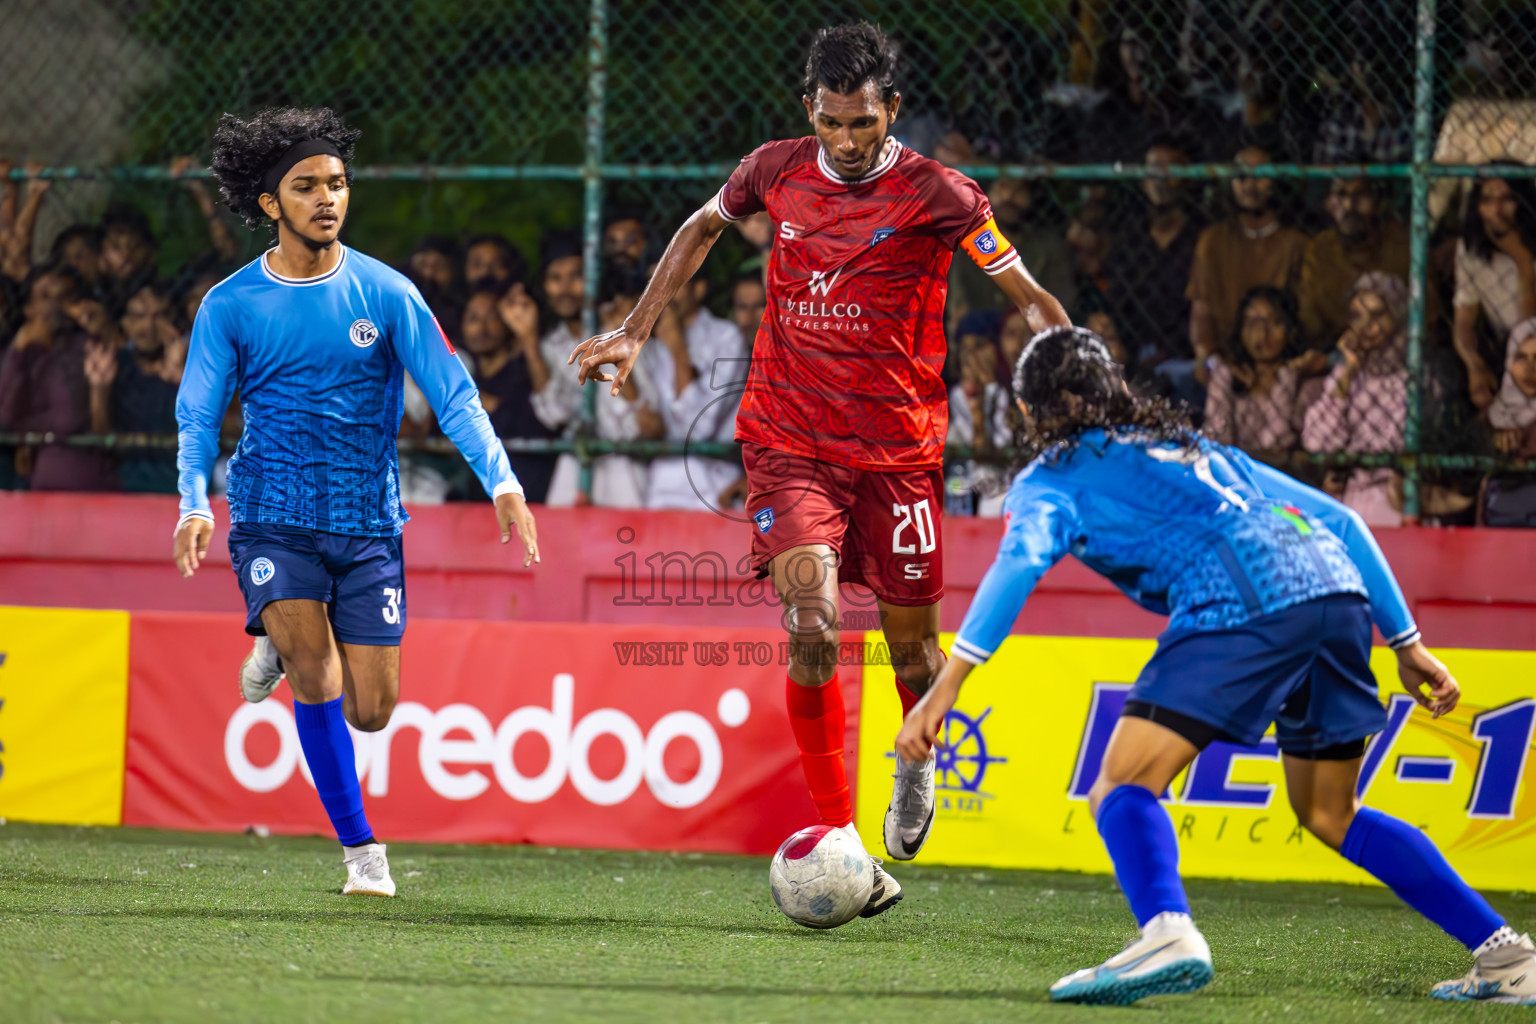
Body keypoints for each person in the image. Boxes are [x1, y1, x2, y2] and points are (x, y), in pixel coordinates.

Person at [568, 21, 1071, 911]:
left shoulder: (940, 193)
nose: (845, 143)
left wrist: (1060, 351)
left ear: (893, 113)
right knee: (813, 622)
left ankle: (912, 767)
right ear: (811, 109)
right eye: (832, 123)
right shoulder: (775, 168)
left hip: (899, 453)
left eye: (863, 125)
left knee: (914, 655)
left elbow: (1025, 292)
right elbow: (700, 227)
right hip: (788, 440)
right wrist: (635, 330)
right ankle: (840, 832)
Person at [897, 324, 1534, 1007]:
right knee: (1330, 811)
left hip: (1243, 603)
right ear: (1115, 389)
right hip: (1335, 591)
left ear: (1026, 410)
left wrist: (944, 689)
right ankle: (1507, 956)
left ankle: (1168, 932)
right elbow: (1346, 525)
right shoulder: (1195, 447)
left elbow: (1020, 561)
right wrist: (1406, 643)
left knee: (1119, 785)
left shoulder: (1048, 481)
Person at [174, 107, 539, 899]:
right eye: (305, 186)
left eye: (336, 183)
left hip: (369, 523)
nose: (326, 198)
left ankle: (280, 634)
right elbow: (199, 413)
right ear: (270, 204)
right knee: (316, 673)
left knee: (372, 710)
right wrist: (193, 503)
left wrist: (503, 482)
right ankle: (362, 853)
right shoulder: (231, 305)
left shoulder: (388, 292)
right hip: (271, 511)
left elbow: (453, 392)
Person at [1302, 272, 1417, 527]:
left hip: (1395, 498)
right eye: (1357, 316)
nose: (1366, 327)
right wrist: (1347, 373)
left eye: (1377, 315)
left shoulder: (1415, 379)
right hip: (1347, 497)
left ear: (1397, 317)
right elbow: (1316, 440)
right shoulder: (1348, 374)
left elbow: (1392, 444)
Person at [1187, 145, 1309, 384]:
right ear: (1231, 184)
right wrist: (1213, 361)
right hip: (1224, 358)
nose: (1250, 185)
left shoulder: (1296, 243)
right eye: (1242, 177)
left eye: (1260, 175)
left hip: (1280, 360)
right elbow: (1201, 313)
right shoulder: (1212, 241)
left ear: (1274, 182)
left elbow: (1304, 316)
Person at [639, 267, 748, 511]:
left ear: (698, 289)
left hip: (713, 485)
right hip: (659, 487)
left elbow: (698, 429)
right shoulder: (650, 345)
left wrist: (678, 350)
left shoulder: (727, 338)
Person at [1102, 137, 1203, 388]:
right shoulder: (1130, 237)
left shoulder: (1199, 237)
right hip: (1134, 352)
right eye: (1153, 168)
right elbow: (1115, 301)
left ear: (1187, 178)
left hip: (1186, 357)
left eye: (1170, 169)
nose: (1160, 177)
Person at [462, 283, 557, 503]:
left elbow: (543, 425)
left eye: (492, 317)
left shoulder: (527, 370)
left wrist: (485, 404)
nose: (482, 328)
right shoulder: (463, 373)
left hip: (529, 496)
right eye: (473, 319)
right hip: (477, 504)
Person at [1297, 178, 1414, 349]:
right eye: (1341, 195)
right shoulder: (1319, 250)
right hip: (1337, 352)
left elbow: (1428, 320)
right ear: (1328, 203)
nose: (1349, 205)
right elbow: (1310, 322)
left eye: (1360, 195)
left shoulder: (1403, 246)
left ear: (1378, 202)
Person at [1454, 172, 1536, 409]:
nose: (1497, 210)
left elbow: (1529, 330)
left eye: (1507, 199)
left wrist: (1522, 260)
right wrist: (1474, 364)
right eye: (1487, 200)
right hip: (1502, 346)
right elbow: (1464, 320)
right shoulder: (1469, 247)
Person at [1204, 285, 1308, 458]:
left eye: (1274, 321)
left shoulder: (1300, 378)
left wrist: (1286, 377)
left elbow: (1279, 441)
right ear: (1240, 331)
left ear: (1290, 328)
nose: (1262, 333)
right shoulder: (1226, 376)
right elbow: (1217, 436)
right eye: (1253, 323)